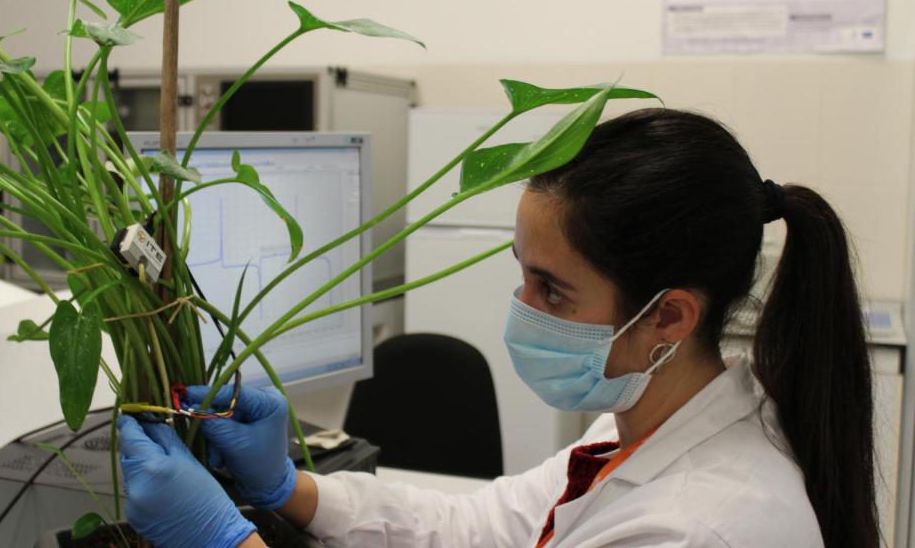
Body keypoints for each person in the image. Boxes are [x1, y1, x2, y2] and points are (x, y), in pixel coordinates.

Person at [117, 108, 879, 548]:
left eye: (552, 290)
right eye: (522, 272)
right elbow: (484, 525)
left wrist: (226, 541)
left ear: (670, 316)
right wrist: (292, 489)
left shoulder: (704, 528)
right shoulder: (636, 429)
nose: (521, 308)